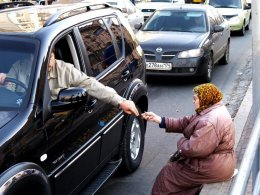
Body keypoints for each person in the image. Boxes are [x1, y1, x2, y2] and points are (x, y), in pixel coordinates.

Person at [142, 83, 236, 195]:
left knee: (167, 176)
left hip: (213, 167)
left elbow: (194, 149)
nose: (193, 101)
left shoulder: (209, 121)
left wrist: (181, 142)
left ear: (205, 99)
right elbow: (186, 122)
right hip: (217, 162)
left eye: (195, 99)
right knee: (179, 178)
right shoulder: (212, 109)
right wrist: (159, 120)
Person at [0, 50, 139, 116]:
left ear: (54, 55)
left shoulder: (65, 69)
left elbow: (90, 84)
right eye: (42, 59)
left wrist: (120, 101)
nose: (48, 62)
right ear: (31, 58)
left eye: (51, 57)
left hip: (58, 122)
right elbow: (9, 97)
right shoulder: (18, 67)